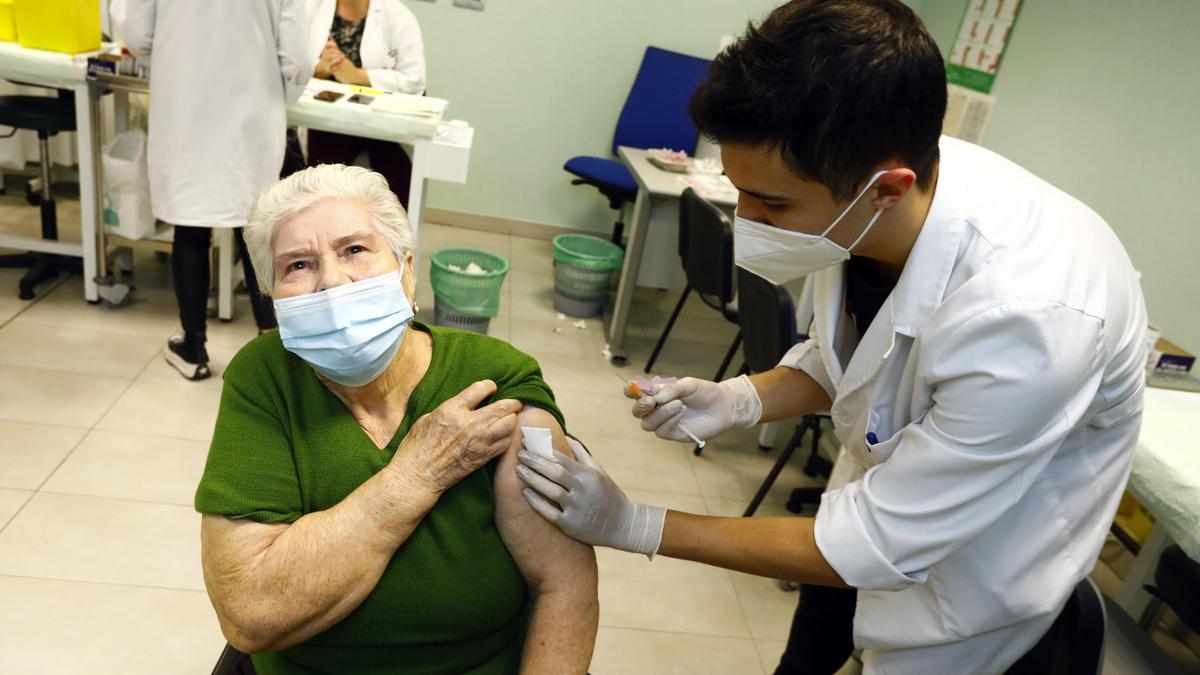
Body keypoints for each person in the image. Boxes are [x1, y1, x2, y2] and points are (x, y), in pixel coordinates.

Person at [516, 1, 1148, 674]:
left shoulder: (1032, 318)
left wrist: (635, 524)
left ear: (886, 189)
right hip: (856, 521)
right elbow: (853, 361)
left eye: (774, 204)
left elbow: (878, 543)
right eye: (741, 191)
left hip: (965, 597)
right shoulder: (867, 194)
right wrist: (738, 399)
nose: (748, 219)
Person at [195, 164, 598, 674]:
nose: (331, 282)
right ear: (273, 299)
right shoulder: (264, 376)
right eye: (297, 265)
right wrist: (415, 476)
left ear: (407, 271)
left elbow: (564, 583)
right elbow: (249, 615)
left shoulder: (494, 379)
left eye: (355, 250)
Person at [116, 0, 312, 380]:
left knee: (189, 228)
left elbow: (138, 35)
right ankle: (270, 350)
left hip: (186, 107)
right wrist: (284, 93)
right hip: (252, 111)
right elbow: (297, 56)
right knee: (255, 231)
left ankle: (193, 346)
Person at [305, 0, 425, 207]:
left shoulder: (398, 16)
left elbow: (415, 79)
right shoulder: (310, 8)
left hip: (381, 127)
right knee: (317, 189)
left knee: (395, 189)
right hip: (326, 123)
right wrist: (320, 67)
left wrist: (357, 76)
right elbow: (289, 61)